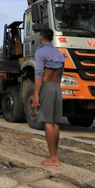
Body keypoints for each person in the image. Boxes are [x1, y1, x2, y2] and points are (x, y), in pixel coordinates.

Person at [30, 28, 65, 166]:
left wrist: (36, 95)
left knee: (47, 122)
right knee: (55, 122)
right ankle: (55, 155)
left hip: (47, 87)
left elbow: (39, 74)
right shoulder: (59, 53)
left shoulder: (40, 52)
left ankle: (53, 158)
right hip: (57, 87)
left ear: (41, 37)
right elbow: (61, 74)